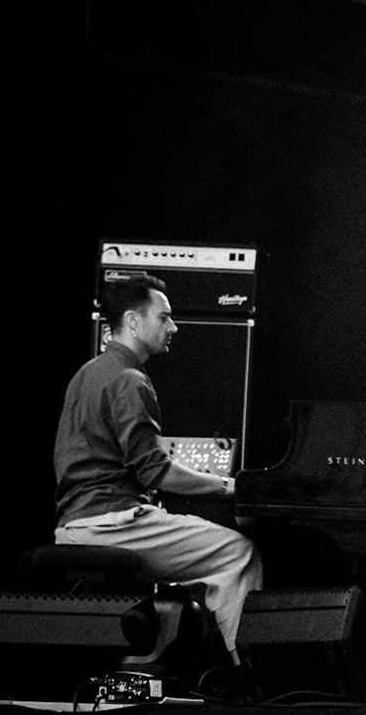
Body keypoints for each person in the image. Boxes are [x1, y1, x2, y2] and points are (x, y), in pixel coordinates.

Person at [53, 274, 264, 661]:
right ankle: (247, 675)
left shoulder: (87, 373)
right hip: (111, 525)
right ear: (133, 321)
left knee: (197, 545)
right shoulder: (130, 380)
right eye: (164, 317)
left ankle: (163, 662)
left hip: (74, 523)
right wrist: (227, 486)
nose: (174, 327)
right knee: (237, 551)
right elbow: (157, 473)